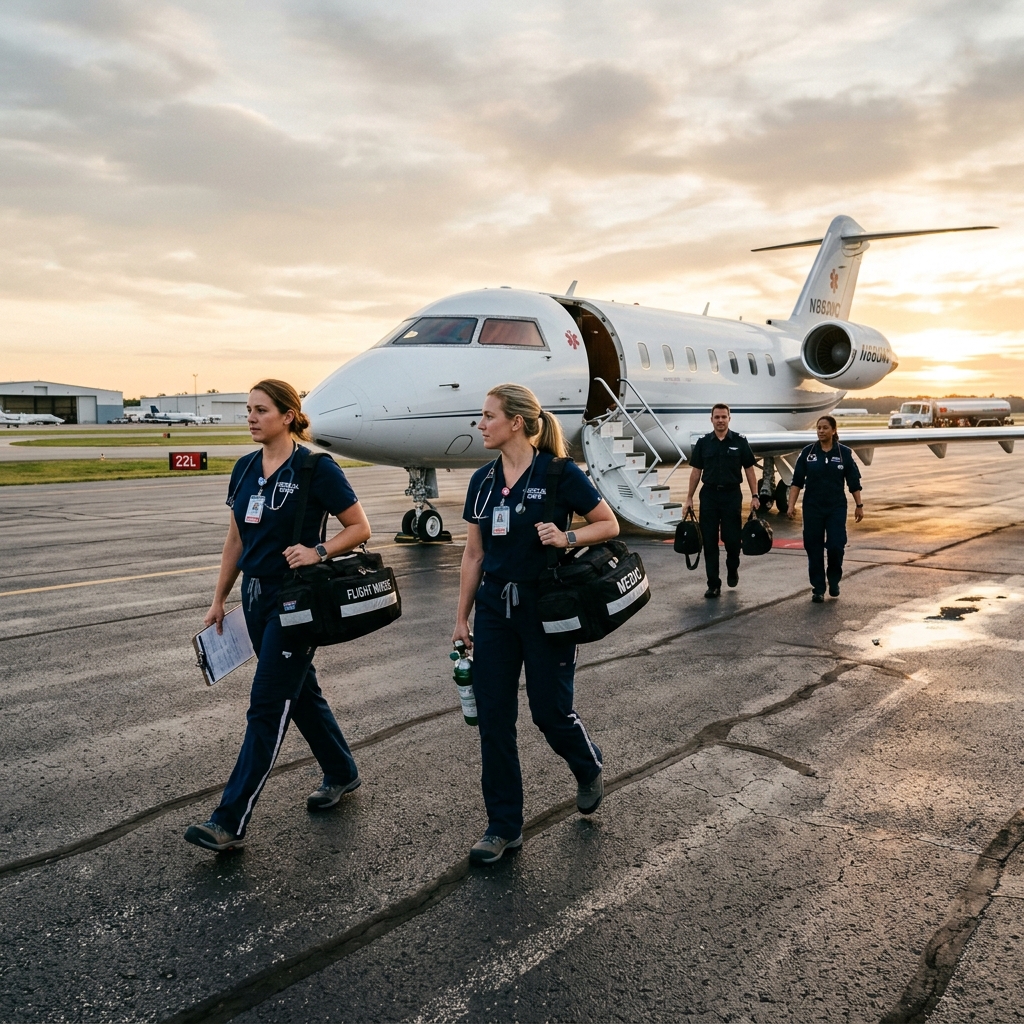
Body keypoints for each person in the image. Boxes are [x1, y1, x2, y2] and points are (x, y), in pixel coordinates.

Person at [184, 379, 372, 852]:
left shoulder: (315, 468)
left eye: (261, 410)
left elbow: (360, 527)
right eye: (248, 409)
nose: (250, 417)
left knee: (267, 705)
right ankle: (342, 770)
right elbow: (235, 541)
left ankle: (229, 821)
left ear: (288, 415)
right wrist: (217, 599)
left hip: (295, 602)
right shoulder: (245, 468)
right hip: (254, 598)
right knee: (300, 692)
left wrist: (319, 551)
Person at [453, 383, 620, 865]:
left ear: (517, 423)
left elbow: (606, 523)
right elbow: (474, 553)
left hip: (547, 611)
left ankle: (587, 766)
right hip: (494, 616)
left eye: (488, 416)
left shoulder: (560, 473)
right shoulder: (482, 482)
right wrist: (461, 617)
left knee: (549, 712)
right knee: (494, 721)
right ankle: (503, 826)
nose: (481, 425)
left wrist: (567, 536)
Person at [683, 404, 760, 598]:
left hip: (731, 496)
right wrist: (689, 498)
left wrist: (755, 495)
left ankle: (732, 568)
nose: (720, 420)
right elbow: (695, 472)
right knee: (709, 542)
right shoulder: (703, 443)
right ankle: (713, 584)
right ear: (711, 419)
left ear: (729, 419)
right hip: (709, 495)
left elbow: (749, 469)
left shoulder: (740, 442)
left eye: (724, 417)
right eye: (716, 417)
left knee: (732, 541)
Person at [787, 414, 863, 603]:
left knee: (836, 546)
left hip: (836, 507)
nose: (821, 431)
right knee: (813, 548)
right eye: (819, 428)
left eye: (825, 428)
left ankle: (834, 580)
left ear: (834, 430)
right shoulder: (808, 452)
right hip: (813, 508)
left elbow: (853, 481)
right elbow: (797, 482)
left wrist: (859, 505)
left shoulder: (844, 453)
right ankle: (818, 588)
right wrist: (791, 505)